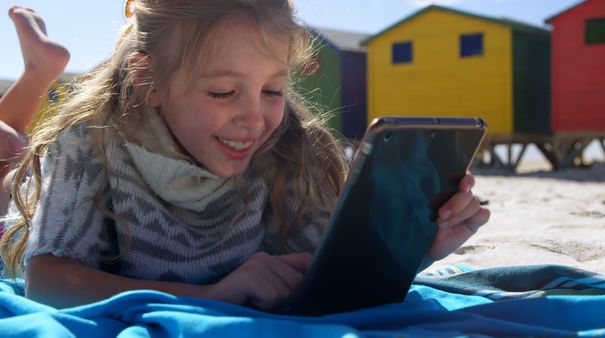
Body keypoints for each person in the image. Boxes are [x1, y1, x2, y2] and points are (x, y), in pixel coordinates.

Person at [0, 0, 490, 310]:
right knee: (7, 159)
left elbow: (326, 267)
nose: (255, 119)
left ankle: (39, 75)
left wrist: (412, 248)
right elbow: (46, 281)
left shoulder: (292, 147)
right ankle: (39, 75)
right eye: (222, 93)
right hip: (22, 209)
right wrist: (208, 296)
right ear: (148, 80)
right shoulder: (90, 142)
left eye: (273, 90)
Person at [0, 5, 70, 215]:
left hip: (24, 182)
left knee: (11, 139)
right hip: (26, 183)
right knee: (11, 140)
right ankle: (39, 70)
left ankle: (39, 70)